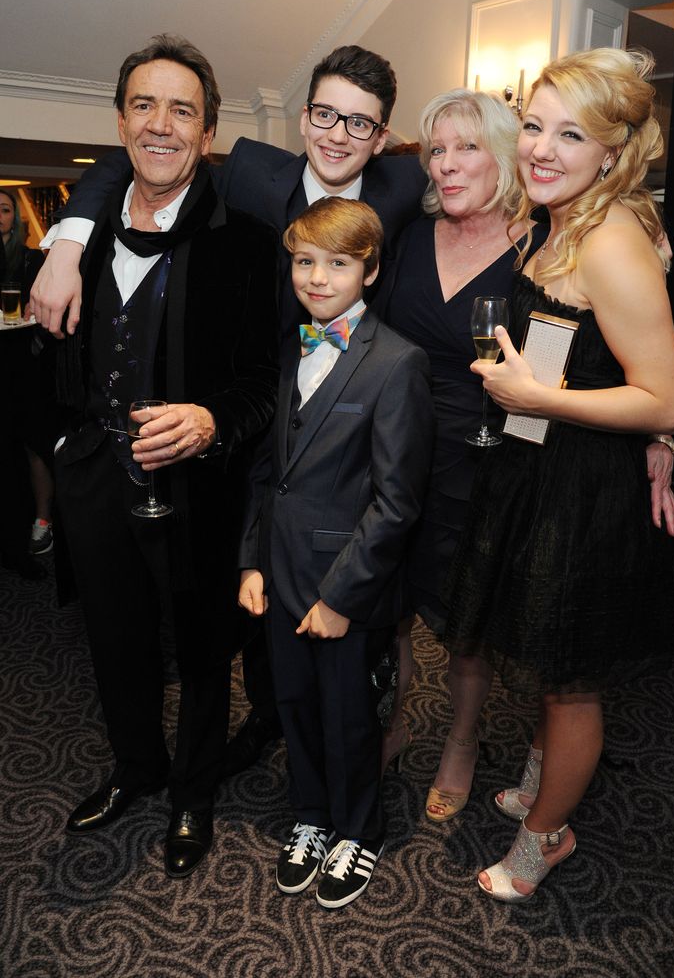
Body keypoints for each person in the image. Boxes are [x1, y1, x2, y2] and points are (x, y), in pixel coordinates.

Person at [32, 44, 427, 778]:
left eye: (359, 123)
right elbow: (141, 155)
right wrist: (67, 237)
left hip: (344, 425)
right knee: (245, 602)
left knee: (341, 594)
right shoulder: (251, 171)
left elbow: (489, 176)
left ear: (381, 135)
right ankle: (270, 723)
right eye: (325, 114)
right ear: (303, 115)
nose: (338, 135)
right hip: (252, 423)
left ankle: (343, 753)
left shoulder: (403, 181)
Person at [444, 47, 674, 902]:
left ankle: (545, 836)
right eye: (535, 125)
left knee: (571, 676)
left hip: (582, 488)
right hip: (536, 467)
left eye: (569, 133)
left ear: (611, 152)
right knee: (547, 653)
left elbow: (664, 399)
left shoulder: (612, 240)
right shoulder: (564, 218)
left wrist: (539, 394)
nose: (539, 148)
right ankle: (549, 787)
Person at [54, 35, 278, 879]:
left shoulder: (248, 243)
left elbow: (264, 380)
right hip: (100, 479)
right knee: (115, 640)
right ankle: (137, 767)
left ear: (208, 133)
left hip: (196, 489)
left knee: (201, 644)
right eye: (143, 105)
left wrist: (211, 418)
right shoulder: (81, 237)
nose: (160, 124)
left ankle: (192, 793)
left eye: (181, 109)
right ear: (120, 122)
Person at [238, 197, 433, 909]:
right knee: (292, 702)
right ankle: (312, 815)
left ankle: (359, 828)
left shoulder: (397, 363)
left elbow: (396, 502)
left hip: (345, 585)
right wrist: (252, 560)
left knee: (348, 714)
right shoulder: (296, 344)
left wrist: (338, 597)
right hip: (280, 569)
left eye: (338, 263)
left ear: (371, 269)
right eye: (304, 261)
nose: (317, 277)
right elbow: (269, 471)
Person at [375, 89, 545, 810]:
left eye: (465, 147)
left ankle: (462, 737)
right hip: (394, 447)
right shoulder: (410, 236)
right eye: (435, 149)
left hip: (483, 455)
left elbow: (564, 368)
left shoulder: (536, 248)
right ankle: (390, 713)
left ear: (505, 154)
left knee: (466, 617)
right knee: (388, 601)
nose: (444, 165)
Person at [0, 188, 52, 576]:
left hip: (25, 366)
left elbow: (49, 312)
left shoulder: (34, 259)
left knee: (33, 448)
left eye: (4, 209)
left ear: (15, 216)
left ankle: (41, 523)